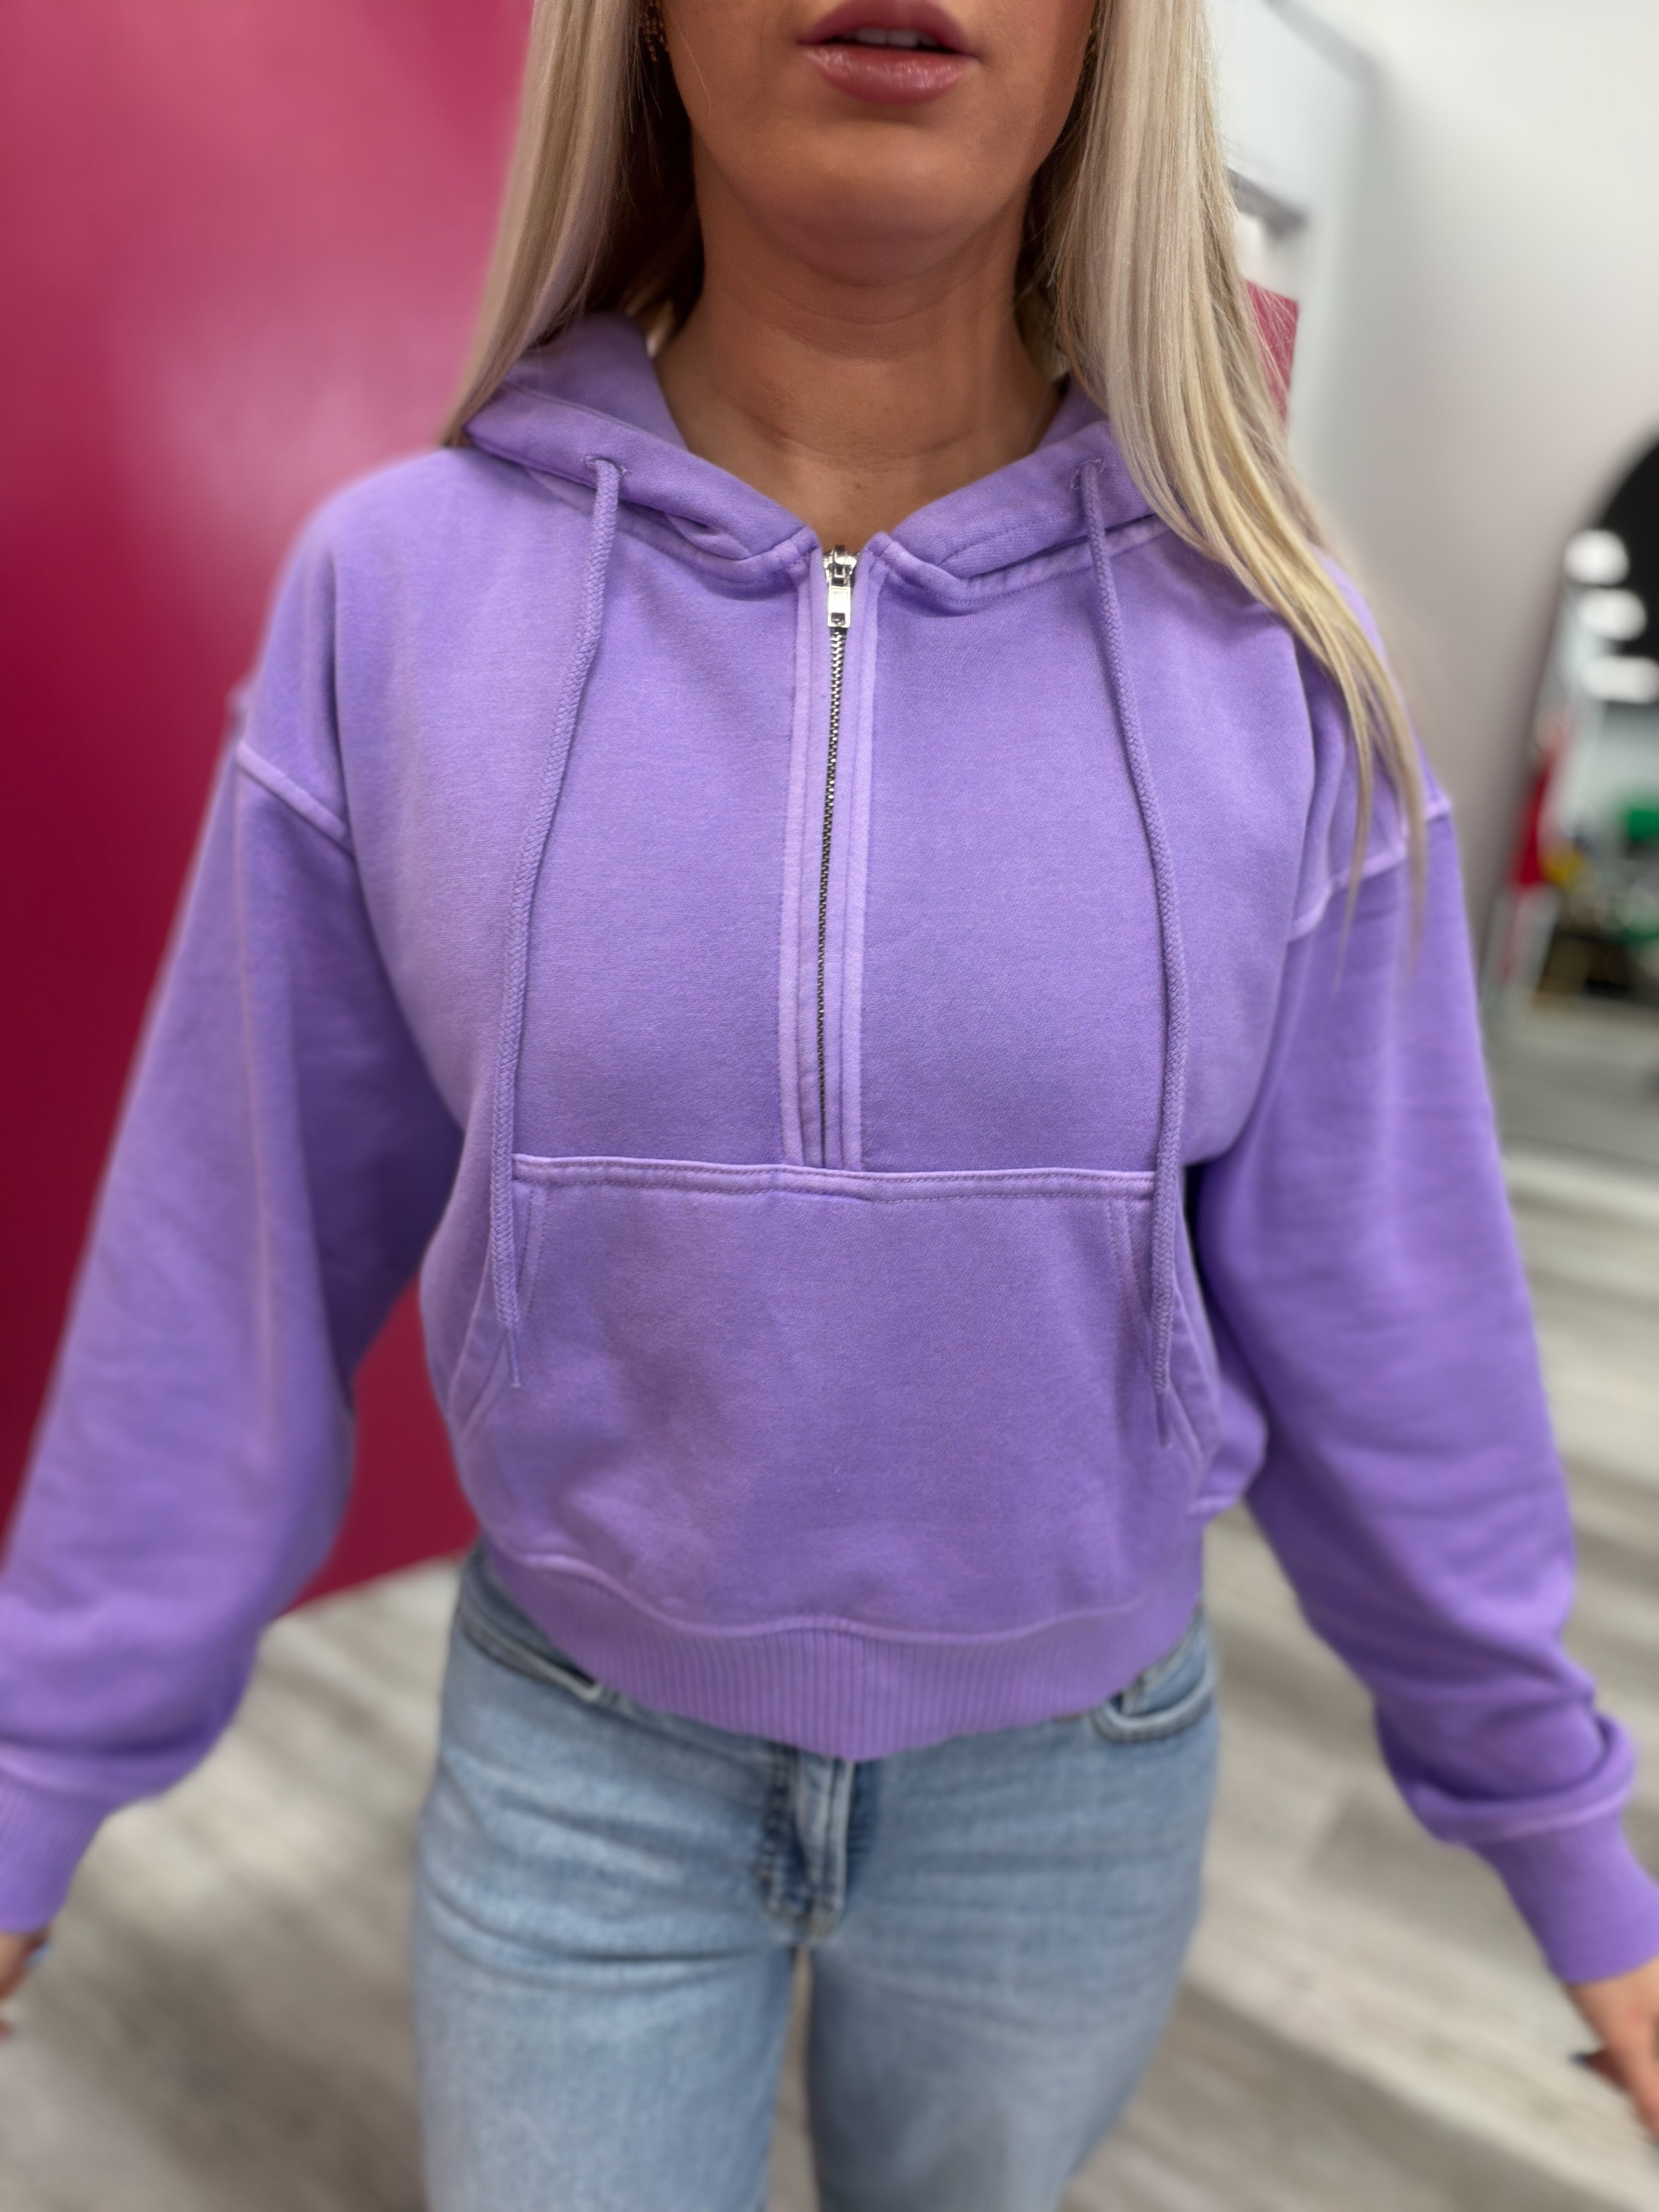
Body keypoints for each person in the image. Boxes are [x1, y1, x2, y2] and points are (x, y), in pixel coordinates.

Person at [2, 0, 1657, 2203]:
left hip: (1067, 1791)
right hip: (583, 1763)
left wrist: (1563, 1832)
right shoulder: (397, 596)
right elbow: (232, 1262)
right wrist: (32, 1778)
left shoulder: (1276, 653)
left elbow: (1389, 1306)